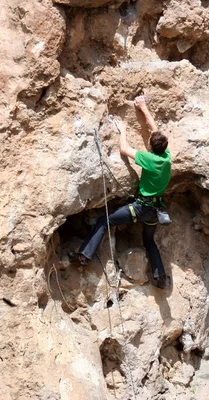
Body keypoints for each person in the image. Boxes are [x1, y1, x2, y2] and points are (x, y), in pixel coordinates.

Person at [69, 95, 172, 289]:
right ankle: (159, 277)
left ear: (150, 146)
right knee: (149, 240)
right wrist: (143, 107)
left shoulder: (149, 159)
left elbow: (124, 150)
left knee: (105, 221)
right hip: (155, 211)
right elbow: (155, 129)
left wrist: (123, 130)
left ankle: (84, 256)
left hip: (140, 208)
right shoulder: (166, 157)